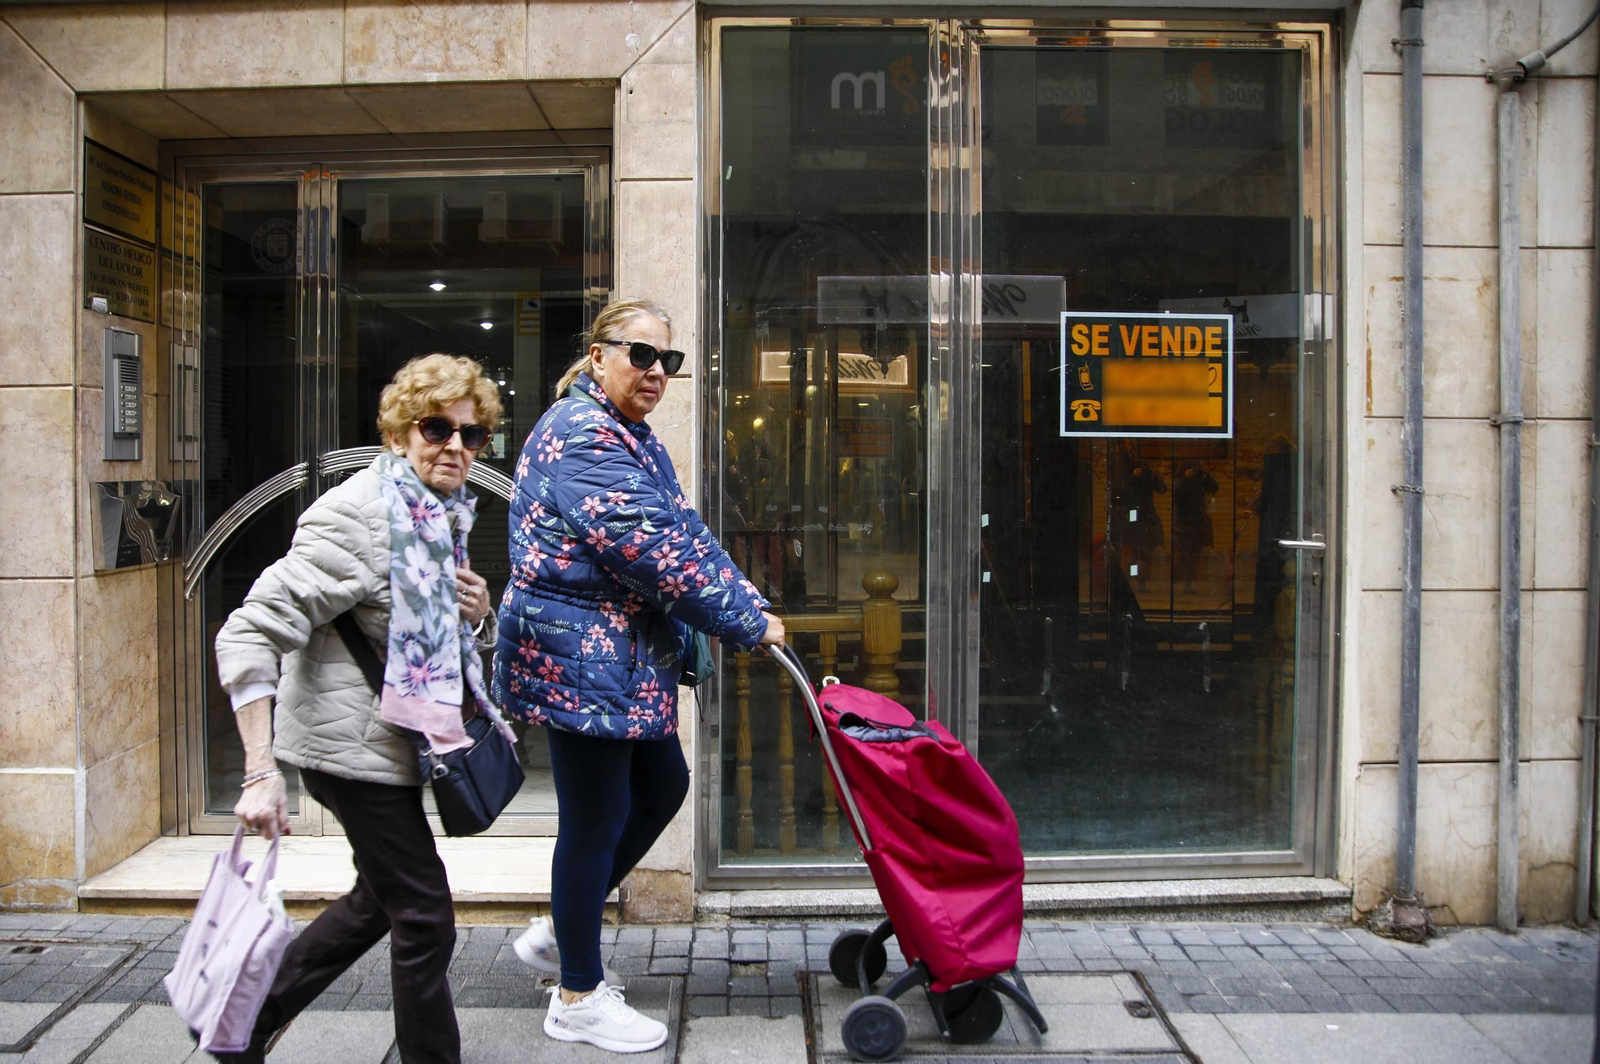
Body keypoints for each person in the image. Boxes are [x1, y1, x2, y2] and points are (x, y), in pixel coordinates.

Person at [494, 298, 785, 1054]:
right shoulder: (585, 436)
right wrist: (746, 621)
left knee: (661, 787)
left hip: (619, 659)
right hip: (580, 656)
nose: (656, 372)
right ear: (598, 355)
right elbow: (653, 551)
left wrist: (748, 599)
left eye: (668, 361)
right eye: (640, 355)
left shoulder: (627, 435)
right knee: (594, 819)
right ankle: (578, 995)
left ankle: (565, 932)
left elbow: (684, 532)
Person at [214, 354, 509, 1064]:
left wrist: (479, 615)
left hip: (393, 745)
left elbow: (439, 637)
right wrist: (259, 775)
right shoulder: (361, 516)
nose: (457, 448)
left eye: (473, 437)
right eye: (439, 429)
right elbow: (248, 631)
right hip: (351, 754)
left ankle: (238, 1026)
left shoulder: (436, 514)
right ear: (402, 431)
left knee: (377, 901)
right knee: (425, 915)